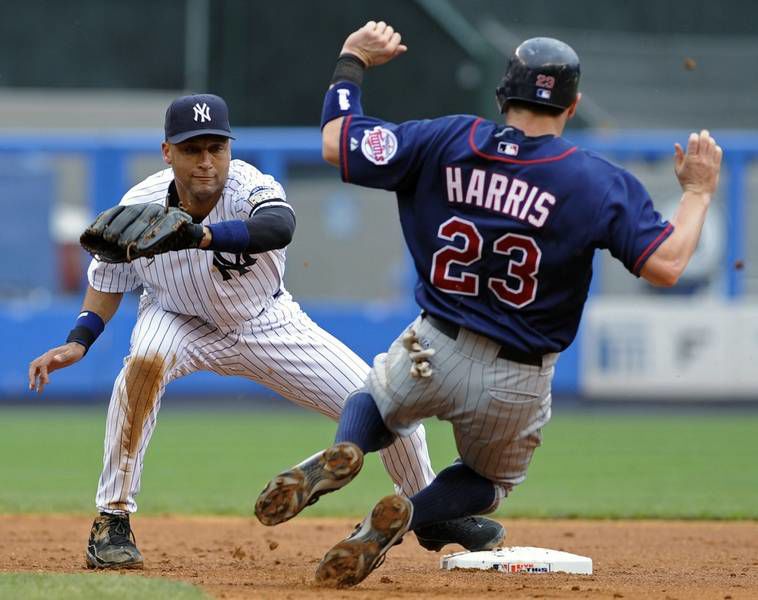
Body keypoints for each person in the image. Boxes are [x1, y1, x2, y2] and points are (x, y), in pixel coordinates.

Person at [254, 22, 723, 587]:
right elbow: (668, 264)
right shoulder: (596, 182)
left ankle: (347, 448)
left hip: (433, 344)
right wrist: (696, 192)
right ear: (572, 106)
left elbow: (336, 141)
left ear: (503, 96)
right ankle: (411, 516)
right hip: (517, 379)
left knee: (374, 401)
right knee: (485, 481)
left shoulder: (445, 139)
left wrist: (352, 59)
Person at [27, 93, 504, 570]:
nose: (206, 161)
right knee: (142, 367)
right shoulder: (139, 204)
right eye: (192, 149)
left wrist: (200, 236)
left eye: (216, 147)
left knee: (386, 405)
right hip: (175, 319)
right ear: (167, 152)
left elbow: (279, 227)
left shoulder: (250, 185)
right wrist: (78, 340)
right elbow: (107, 279)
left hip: (266, 321)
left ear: (229, 150)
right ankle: (112, 521)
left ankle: (427, 511)